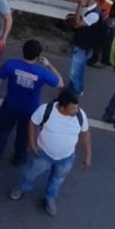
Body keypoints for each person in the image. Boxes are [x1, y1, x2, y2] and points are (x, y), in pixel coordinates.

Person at [0, 40, 62, 168]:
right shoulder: (42, 72)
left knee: (3, 132)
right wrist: (49, 65)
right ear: (38, 56)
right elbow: (60, 83)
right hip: (30, 110)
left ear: (23, 51)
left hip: (10, 105)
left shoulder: (11, 64)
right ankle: (19, 158)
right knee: (23, 135)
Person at [9, 89, 91, 217]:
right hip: (44, 154)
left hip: (66, 158)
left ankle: (50, 197)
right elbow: (33, 123)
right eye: (73, 109)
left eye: (77, 108)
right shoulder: (45, 110)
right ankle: (21, 188)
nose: (76, 111)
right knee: (30, 173)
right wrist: (31, 143)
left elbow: (85, 134)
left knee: (58, 179)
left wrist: (87, 155)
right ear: (62, 108)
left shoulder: (80, 115)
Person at [67, 0, 102, 96]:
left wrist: (79, 6)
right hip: (84, 43)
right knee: (79, 69)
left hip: (83, 45)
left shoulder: (94, 14)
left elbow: (77, 25)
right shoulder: (89, 8)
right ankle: (78, 88)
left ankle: (74, 93)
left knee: (75, 71)